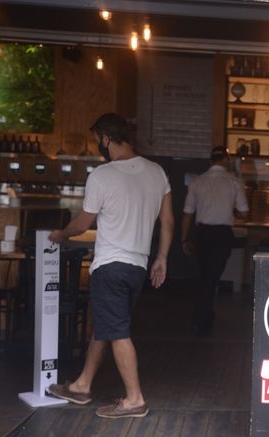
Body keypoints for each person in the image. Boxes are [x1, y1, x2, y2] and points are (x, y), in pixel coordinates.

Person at [47, 113, 174, 419]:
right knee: (106, 326)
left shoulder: (102, 175)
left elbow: (83, 223)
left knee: (117, 331)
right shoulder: (157, 172)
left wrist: (61, 234)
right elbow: (167, 220)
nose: (98, 146)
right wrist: (162, 257)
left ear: (106, 139)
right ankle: (82, 385)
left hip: (110, 266)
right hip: (137, 267)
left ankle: (134, 399)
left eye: (97, 141)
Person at [181, 146, 249, 336]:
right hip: (222, 235)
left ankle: (204, 316)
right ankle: (201, 320)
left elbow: (187, 213)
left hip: (202, 233)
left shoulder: (197, 181)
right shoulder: (234, 182)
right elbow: (244, 212)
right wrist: (231, 211)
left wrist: (184, 239)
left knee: (205, 276)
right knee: (211, 277)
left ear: (211, 160)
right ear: (227, 160)